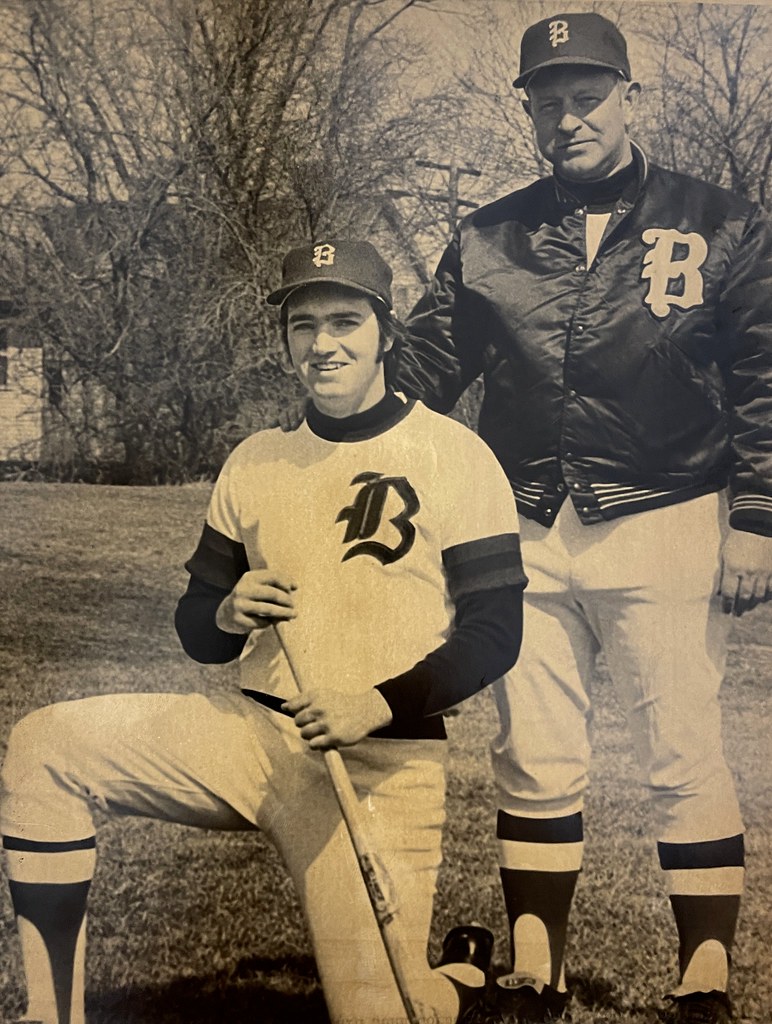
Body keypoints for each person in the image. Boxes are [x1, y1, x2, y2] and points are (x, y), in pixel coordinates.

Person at [0, 239, 529, 1024]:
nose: (324, 344)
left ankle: (460, 981)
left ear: (385, 330)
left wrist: (378, 704)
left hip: (380, 760)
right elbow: (197, 630)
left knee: (381, 1012)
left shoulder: (454, 454)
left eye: (345, 321)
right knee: (46, 746)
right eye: (303, 326)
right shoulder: (256, 460)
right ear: (285, 342)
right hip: (249, 738)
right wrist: (224, 611)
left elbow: (497, 632)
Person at [394, 12, 772, 1024]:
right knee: (534, 743)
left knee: (682, 741)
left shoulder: (724, 221)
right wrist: (342, 426)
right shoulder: (488, 236)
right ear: (527, 112)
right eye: (547, 100)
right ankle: (536, 960)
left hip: (670, 511)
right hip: (523, 521)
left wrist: (759, 519)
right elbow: (426, 371)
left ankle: (703, 968)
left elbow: (765, 382)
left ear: (628, 98)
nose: (567, 118)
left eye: (585, 95)